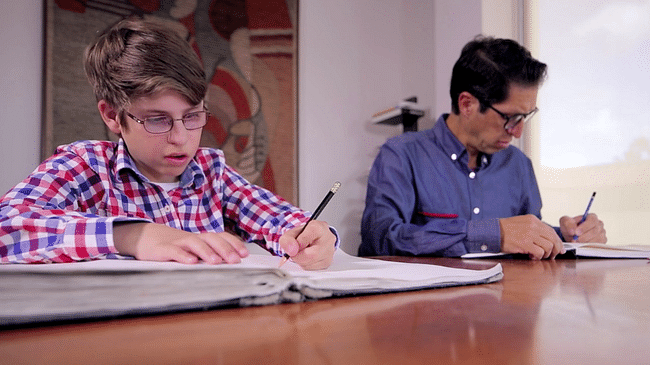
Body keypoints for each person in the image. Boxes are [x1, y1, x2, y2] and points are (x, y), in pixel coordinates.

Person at [0, 17, 337, 270]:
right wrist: (133, 236)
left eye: (192, 116)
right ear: (113, 116)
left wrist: (315, 236)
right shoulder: (86, 166)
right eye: (157, 120)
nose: (181, 137)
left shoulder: (210, 172)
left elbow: (283, 221)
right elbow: (7, 226)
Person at [359, 36, 607, 260]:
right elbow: (380, 239)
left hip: (505, 302)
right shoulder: (401, 154)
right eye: (510, 118)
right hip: (424, 307)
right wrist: (492, 234)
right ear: (467, 104)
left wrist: (564, 235)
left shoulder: (518, 164)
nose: (518, 132)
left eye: (525, 117)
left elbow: (520, 242)